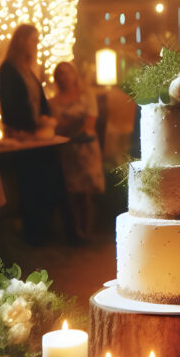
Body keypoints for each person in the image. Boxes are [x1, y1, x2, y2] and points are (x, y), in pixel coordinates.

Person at [0, 24, 73, 245]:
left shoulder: (28, 70)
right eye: (33, 40)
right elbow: (11, 106)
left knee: (48, 178)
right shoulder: (9, 70)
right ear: (21, 41)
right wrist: (32, 124)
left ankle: (48, 229)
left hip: (39, 135)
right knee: (30, 182)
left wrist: (47, 118)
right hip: (23, 136)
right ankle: (35, 232)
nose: (36, 45)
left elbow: (39, 100)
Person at [50, 62, 105, 241]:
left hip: (86, 148)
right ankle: (75, 232)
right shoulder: (54, 102)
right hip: (66, 150)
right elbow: (55, 126)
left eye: (67, 73)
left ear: (74, 75)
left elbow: (89, 121)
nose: (64, 77)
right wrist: (69, 123)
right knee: (72, 191)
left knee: (86, 191)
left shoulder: (86, 96)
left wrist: (68, 123)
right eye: (60, 74)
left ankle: (87, 229)